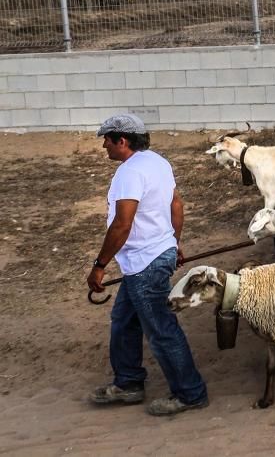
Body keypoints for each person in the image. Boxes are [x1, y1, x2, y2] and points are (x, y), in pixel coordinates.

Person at [87, 113, 209, 416]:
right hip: (149, 257)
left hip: (145, 263)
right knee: (124, 321)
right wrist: (173, 242)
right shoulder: (158, 162)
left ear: (122, 140)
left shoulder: (129, 173)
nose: (104, 145)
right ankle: (128, 383)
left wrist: (99, 265)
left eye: (107, 139)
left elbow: (122, 224)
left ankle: (190, 393)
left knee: (161, 330)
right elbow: (176, 204)